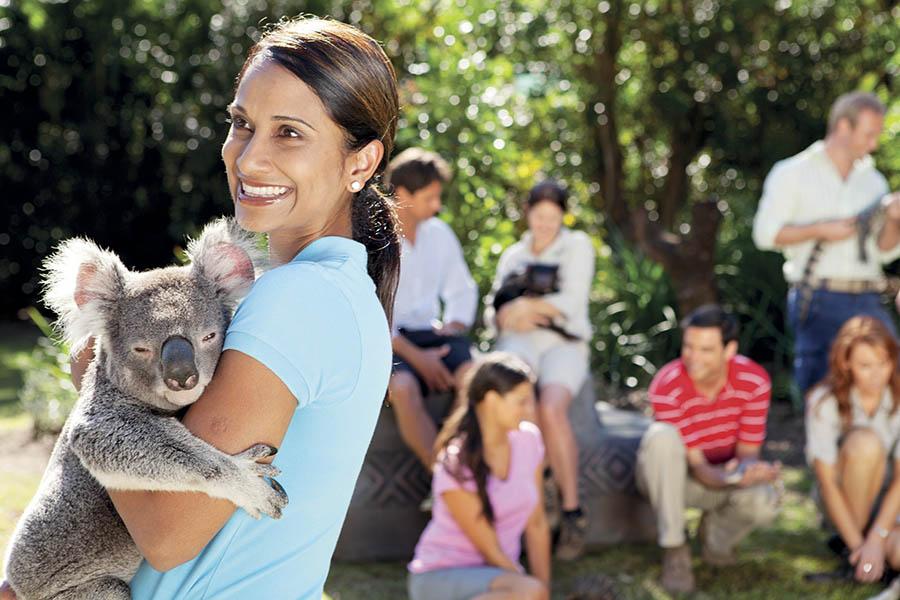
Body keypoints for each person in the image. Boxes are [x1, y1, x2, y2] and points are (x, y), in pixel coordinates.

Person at [0, 18, 403, 600]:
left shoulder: (298, 298)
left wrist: (96, 377)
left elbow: (169, 535)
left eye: (289, 133)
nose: (251, 158)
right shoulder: (333, 289)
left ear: (360, 163)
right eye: (242, 124)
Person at [753, 91, 900, 396]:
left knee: (892, 380)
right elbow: (765, 235)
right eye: (869, 134)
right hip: (818, 296)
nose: (874, 144)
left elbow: (884, 252)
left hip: (869, 298)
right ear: (844, 127)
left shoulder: (873, 181)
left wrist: (894, 220)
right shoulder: (792, 173)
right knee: (822, 390)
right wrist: (820, 229)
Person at [636, 304, 782, 594]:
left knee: (765, 499)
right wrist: (729, 477)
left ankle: (715, 540)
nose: (693, 357)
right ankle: (675, 548)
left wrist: (751, 472)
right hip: (673, 480)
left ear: (729, 350)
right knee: (661, 437)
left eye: (706, 350)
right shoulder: (667, 385)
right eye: (688, 347)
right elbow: (699, 468)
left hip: (719, 475)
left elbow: (747, 455)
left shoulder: (754, 381)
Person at [485, 179, 595, 560]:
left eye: (553, 216)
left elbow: (571, 302)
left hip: (564, 342)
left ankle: (571, 509)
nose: (545, 223)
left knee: (550, 408)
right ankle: (533, 502)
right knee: (522, 407)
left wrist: (524, 307)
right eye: (539, 215)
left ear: (563, 216)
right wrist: (509, 314)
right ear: (528, 214)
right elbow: (494, 312)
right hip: (519, 341)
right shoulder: (513, 256)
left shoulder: (576, 246)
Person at [407, 353, 551, 600]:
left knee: (532, 592)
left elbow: (536, 523)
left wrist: (543, 589)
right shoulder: (455, 462)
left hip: (498, 578)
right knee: (529, 593)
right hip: (439, 576)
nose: (529, 409)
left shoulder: (529, 440)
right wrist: (533, 591)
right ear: (492, 400)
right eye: (521, 401)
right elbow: (490, 550)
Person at [387, 148, 479, 469]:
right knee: (403, 388)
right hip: (389, 341)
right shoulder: (374, 239)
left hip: (431, 332)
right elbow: (374, 315)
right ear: (403, 194)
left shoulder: (439, 234)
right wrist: (418, 358)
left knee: (474, 378)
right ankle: (443, 477)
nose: (437, 206)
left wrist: (453, 326)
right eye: (430, 198)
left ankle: (459, 463)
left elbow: (461, 288)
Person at [806, 316, 900, 584]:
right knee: (865, 443)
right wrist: (862, 547)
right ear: (845, 363)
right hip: (844, 503)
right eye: (865, 366)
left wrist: (877, 539)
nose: (877, 375)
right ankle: (853, 552)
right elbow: (827, 483)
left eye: (883, 363)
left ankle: (878, 559)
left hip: (890, 505)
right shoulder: (823, 402)